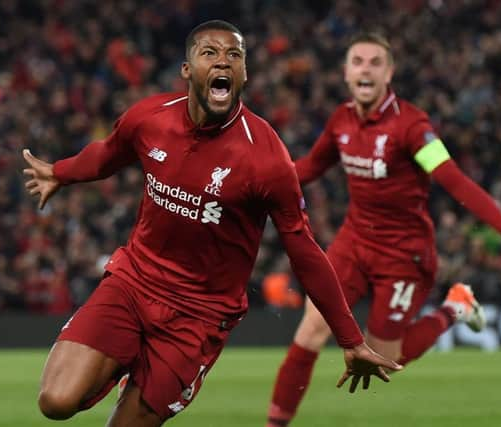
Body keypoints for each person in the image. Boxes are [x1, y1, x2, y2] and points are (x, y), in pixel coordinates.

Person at [22, 21, 402, 427]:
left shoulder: (267, 158)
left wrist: (349, 338)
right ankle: (126, 362)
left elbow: (304, 250)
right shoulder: (150, 118)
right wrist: (61, 172)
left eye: (234, 55)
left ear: (243, 74)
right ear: (188, 70)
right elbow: (108, 154)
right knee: (55, 401)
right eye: (210, 53)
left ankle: (141, 371)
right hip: (133, 284)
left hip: (199, 315)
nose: (223, 61)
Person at [265, 32, 501, 427]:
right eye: (357, 61)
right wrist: (254, 189)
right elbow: (309, 168)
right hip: (353, 242)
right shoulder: (341, 121)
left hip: (403, 253)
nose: (365, 68)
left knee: (385, 358)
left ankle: (456, 307)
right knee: (311, 329)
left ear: (389, 73)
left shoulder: (412, 126)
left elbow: (452, 178)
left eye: (375, 62)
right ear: (345, 72)